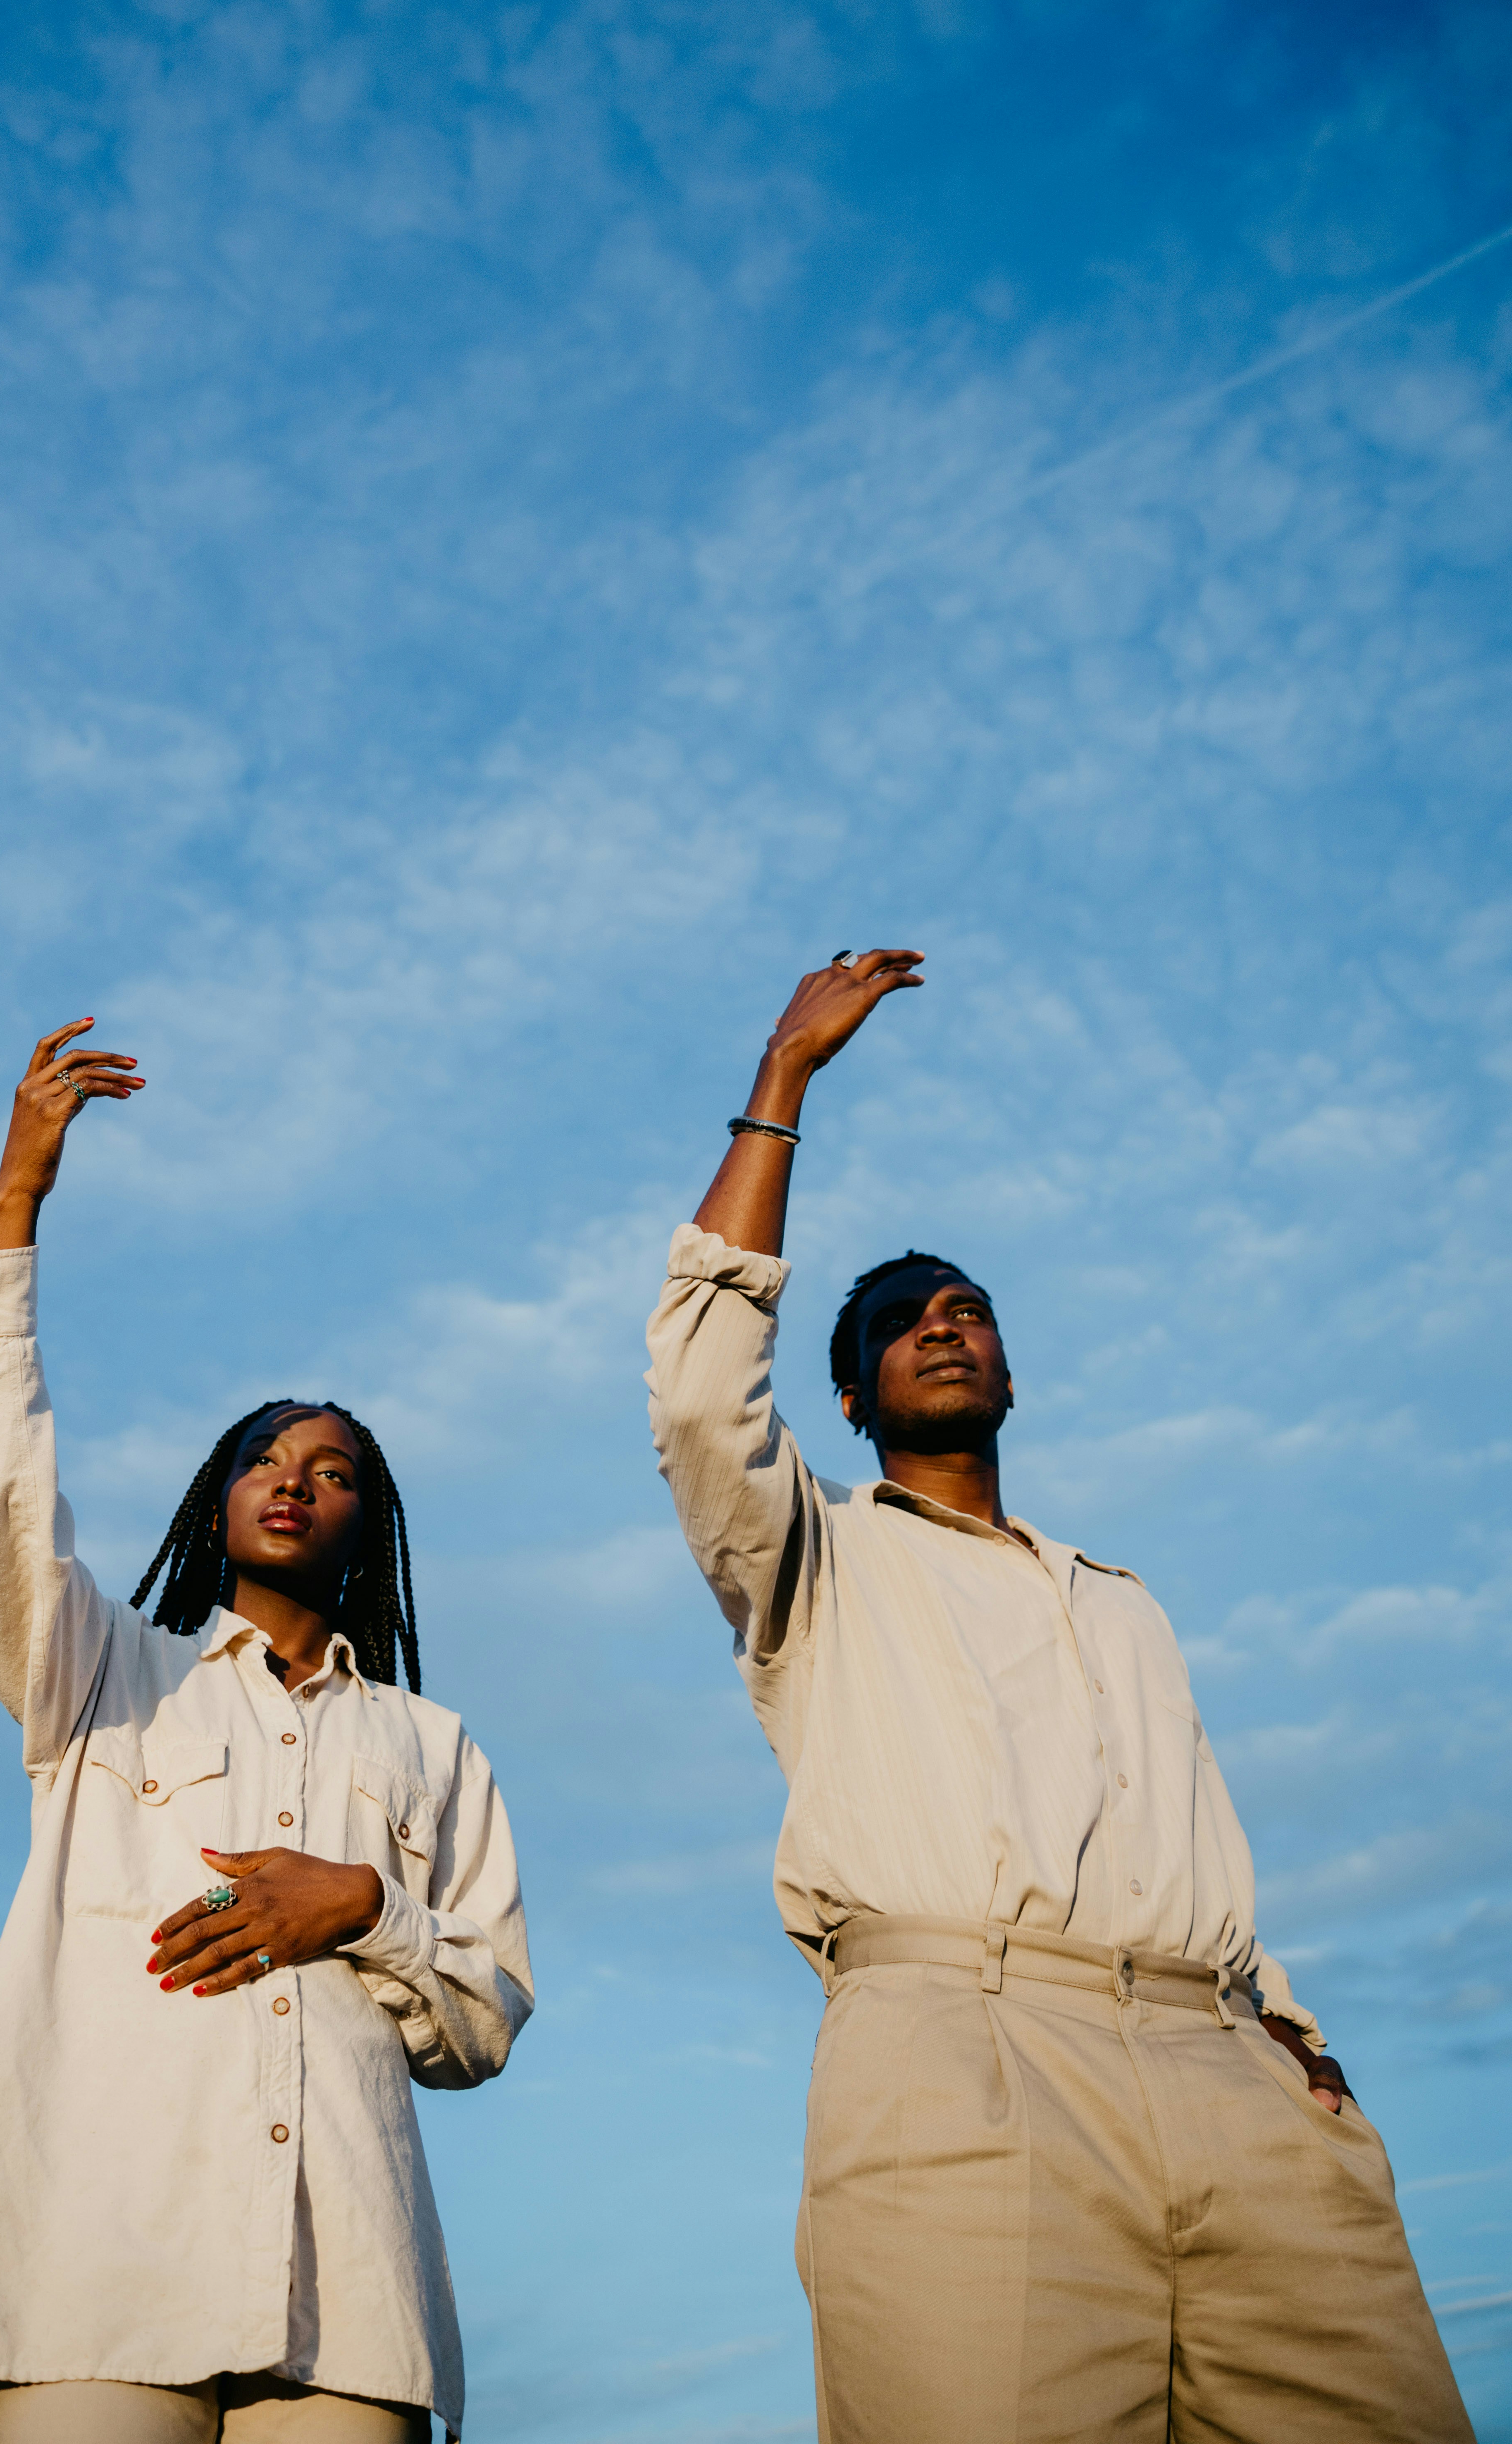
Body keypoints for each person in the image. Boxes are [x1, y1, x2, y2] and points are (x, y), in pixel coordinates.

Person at [646, 951, 1471, 2444]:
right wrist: (784, 1083)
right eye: (907, 1323)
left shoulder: (1125, 1600)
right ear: (852, 1398)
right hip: (967, 2056)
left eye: (969, 1309)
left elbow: (1180, 1835)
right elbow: (705, 1396)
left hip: (1239, 2079)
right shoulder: (816, 1557)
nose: (947, 1325)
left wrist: (1292, 2037)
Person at [0, 1022, 532, 2444]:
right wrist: (16, 1206)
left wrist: (364, 1904)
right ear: (216, 1500)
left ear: (372, 1525)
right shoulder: (105, 1672)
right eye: (262, 1460)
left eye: (333, 1471)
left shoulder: (433, 1745)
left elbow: (482, 2020)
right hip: (88, 2274)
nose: (292, 1483)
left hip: (353, 2310)